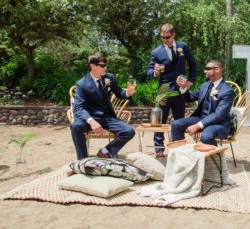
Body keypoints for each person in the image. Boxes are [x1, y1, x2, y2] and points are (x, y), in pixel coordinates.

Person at [70, 53, 136, 160]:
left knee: (129, 131)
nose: (105, 67)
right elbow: (78, 108)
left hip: (106, 116)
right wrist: (91, 121)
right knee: (75, 126)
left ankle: (105, 151)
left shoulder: (109, 78)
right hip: (89, 118)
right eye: (102, 65)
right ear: (92, 66)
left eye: (105, 65)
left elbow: (119, 93)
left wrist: (128, 93)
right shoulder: (82, 84)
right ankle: (82, 161)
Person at [147, 23, 197, 157]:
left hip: (180, 90)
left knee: (179, 121)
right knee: (159, 121)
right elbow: (149, 71)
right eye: (162, 37)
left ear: (173, 35)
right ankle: (159, 149)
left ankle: (179, 148)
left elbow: (193, 65)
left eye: (167, 37)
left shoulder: (183, 47)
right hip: (163, 90)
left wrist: (191, 81)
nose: (165, 40)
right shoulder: (156, 52)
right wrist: (155, 72)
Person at [171, 60, 234, 145]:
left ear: (217, 69)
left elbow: (219, 115)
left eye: (208, 69)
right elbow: (190, 97)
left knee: (206, 137)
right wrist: (183, 87)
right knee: (176, 124)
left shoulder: (227, 91)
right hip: (201, 118)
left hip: (219, 124)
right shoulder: (205, 85)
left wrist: (198, 125)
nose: (205, 71)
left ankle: (215, 156)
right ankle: (181, 155)